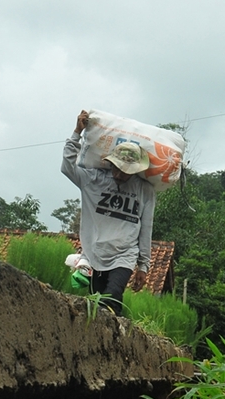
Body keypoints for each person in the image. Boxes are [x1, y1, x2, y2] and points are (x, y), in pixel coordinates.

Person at [61, 110, 155, 315]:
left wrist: (143, 266)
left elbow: (146, 228)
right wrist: (77, 132)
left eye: (126, 171)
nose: (120, 175)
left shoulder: (145, 190)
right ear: (110, 163)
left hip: (125, 254)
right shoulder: (92, 180)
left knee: (111, 297)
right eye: (116, 168)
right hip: (95, 253)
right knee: (98, 302)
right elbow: (67, 167)